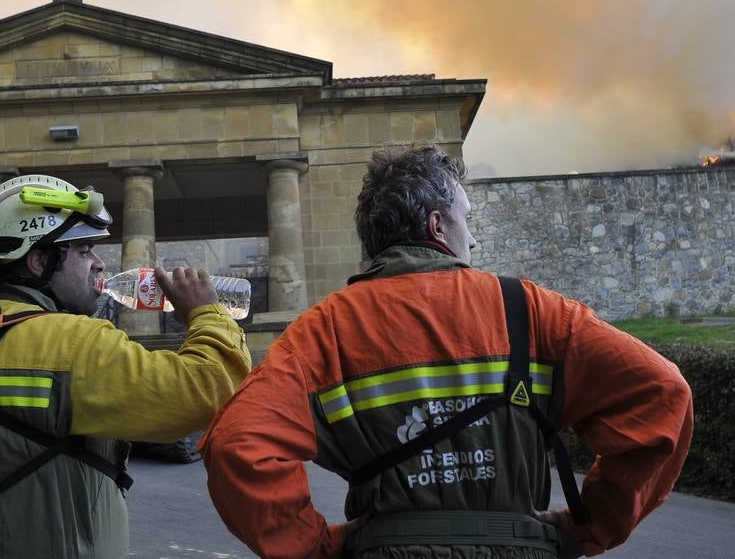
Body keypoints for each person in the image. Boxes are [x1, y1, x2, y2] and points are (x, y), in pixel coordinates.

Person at [202, 145, 693, 558]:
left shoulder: (324, 330)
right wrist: (589, 525)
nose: (473, 238)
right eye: (467, 220)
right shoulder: (532, 311)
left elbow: (237, 443)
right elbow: (662, 393)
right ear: (437, 226)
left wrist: (316, 546)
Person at [0, 174, 252, 558]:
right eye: (83, 251)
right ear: (39, 260)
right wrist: (208, 313)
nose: (99, 263)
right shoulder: (71, 343)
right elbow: (211, 389)